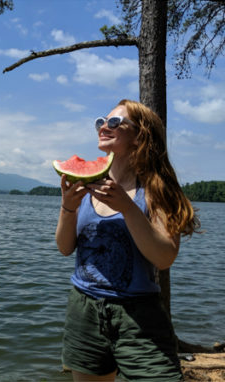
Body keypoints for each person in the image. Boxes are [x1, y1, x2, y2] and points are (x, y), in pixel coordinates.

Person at [55, 99, 199, 381]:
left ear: (139, 136)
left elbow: (164, 257)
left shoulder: (156, 190)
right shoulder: (85, 185)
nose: (103, 128)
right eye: (100, 122)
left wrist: (127, 207)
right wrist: (68, 207)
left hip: (139, 315)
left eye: (113, 123)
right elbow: (64, 248)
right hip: (83, 310)